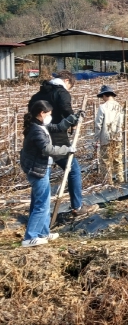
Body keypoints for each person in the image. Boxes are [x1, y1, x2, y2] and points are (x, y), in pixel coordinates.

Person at [28, 71, 97, 217]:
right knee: (73, 169)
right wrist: (74, 120)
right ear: (66, 81)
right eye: (70, 86)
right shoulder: (61, 92)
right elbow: (66, 109)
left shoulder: (38, 94)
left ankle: (35, 212)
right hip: (57, 138)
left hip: (38, 135)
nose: (69, 89)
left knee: (41, 174)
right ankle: (77, 206)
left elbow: (31, 111)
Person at [19, 100, 83, 247]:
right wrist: (67, 149)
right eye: (49, 114)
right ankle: (30, 237)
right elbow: (48, 149)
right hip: (37, 171)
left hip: (41, 168)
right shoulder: (36, 130)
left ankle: (43, 233)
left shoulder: (40, 125)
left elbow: (57, 127)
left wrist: (72, 119)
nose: (50, 117)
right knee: (41, 204)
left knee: (41, 201)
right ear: (42, 113)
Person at [94, 85, 125, 184]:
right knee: (117, 159)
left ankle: (108, 182)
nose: (102, 99)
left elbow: (98, 125)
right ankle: (120, 180)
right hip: (117, 137)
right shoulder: (119, 107)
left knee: (105, 161)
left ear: (104, 95)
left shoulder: (103, 107)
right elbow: (121, 123)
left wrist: (96, 138)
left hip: (105, 137)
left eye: (102, 97)